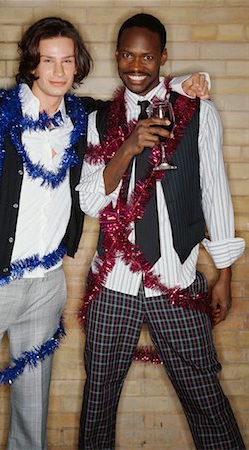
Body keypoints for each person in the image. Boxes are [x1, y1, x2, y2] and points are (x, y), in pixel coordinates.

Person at [0, 14, 210, 450]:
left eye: (67, 61)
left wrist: (189, 81)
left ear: (77, 65)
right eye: (48, 61)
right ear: (32, 66)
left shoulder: (87, 117)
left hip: (48, 285)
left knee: (32, 400)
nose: (58, 71)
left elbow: (141, 95)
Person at [76, 13, 245, 450]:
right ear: (116, 56)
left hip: (176, 278)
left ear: (162, 58)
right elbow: (91, 201)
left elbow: (215, 193)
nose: (137, 65)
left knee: (205, 396)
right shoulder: (99, 121)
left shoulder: (197, 113)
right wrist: (130, 146)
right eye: (128, 55)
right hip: (112, 283)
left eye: (147, 56)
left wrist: (225, 274)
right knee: (98, 400)